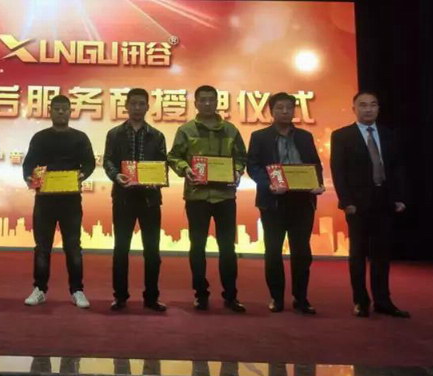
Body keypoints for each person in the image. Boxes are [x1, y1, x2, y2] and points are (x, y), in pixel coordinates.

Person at [167, 85, 247, 313]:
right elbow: (174, 157)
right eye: (203, 100)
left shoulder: (230, 130)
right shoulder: (186, 130)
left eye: (211, 99)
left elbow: (241, 157)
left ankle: (231, 295)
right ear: (196, 103)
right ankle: (200, 294)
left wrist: (238, 171)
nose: (207, 104)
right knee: (197, 247)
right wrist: (185, 169)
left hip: (225, 196)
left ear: (217, 102)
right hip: (197, 196)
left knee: (228, 248)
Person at [330, 91, 410, 318]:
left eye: (373, 105)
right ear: (353, 109)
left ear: (378, 108)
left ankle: (383, 301)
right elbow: (338, 171)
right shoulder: (342, 136)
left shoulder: (388, 134)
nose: (368, 109)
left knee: (381, 255)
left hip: (384, 200)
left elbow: (397, 168)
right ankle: (360, 301)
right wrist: (346, 201)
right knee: (358, 254)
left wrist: (399, 197)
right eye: (363, 105)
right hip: (357, 204)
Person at [247, 92, 324, 315]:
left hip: (302, 202)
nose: (284, 112)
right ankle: (276, 298)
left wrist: (317, 183)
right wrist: (268, 184)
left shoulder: (305, 136)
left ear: (294, 111)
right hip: (273, 202)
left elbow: (315, 164)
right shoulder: (259, 137)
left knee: (302, 253)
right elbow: (253, 167)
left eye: (289, 108)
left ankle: (301, 298)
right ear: (271, 111)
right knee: (273, 251)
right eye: (279, 108)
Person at [22, 95, 96, 309]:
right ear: (50, 111)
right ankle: (40, 289)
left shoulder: (80, 138)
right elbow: (28, 164)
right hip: (45, 200)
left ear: (71, 111)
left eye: (65, 108)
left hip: (70, 200)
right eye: (57, 109)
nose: (61, 112)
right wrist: (29, 178)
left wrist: (82, 175)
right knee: (42, 247)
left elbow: (89, 163)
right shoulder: (40, 138)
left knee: (73, 247)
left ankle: (77, 290)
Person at [103, 88, 167, 312]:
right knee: (121, 249)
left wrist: (157, 179)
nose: (137, 108)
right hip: (123, 198)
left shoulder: (157, 135)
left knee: (152, 251)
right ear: (126, 106)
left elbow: (163, 164)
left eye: (141, 104)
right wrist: (116, 176)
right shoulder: (114, 134)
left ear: (148, 107)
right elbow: (108, 161)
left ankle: (151, 297)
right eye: (133, 104)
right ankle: (120, 296)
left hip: (150, 199)